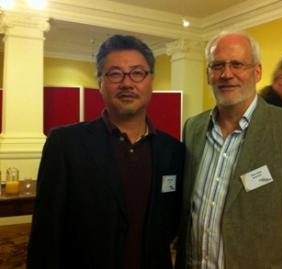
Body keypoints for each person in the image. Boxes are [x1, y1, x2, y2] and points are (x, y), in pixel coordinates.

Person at [27, 35, 184, 269]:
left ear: (151, 80)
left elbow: (170, 224)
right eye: (114, 73)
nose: (127, 83)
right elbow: (45, 234)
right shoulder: (65, 144)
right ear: (100, 82)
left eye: (137, 73)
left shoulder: (173, 151)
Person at [176, 31, 282, 269]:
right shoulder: (193, 128)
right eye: (217, 66)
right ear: (208, 75)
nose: (227, 74)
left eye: (237, 64)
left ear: (257, 72)